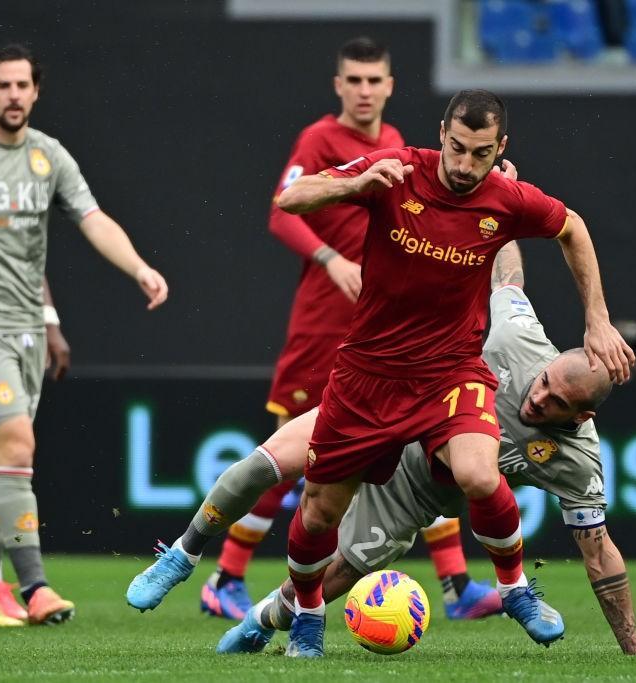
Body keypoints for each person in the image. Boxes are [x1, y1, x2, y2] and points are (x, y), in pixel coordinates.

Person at [129, 90, 633, 658]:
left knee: (478, 475)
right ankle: (190, 559)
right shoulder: (396, 172)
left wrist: (597, 319)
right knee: (299, 496)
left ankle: (513, 590)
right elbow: (292, 197)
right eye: (459, 149)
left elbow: (573, 228)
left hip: (448, 373)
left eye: (482, 154)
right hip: (370, 374)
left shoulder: (505, 198)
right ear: (442, 132)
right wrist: (353, 186)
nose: (467, 166)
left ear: (502, 149)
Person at [215, 241, 636, 657]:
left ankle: (261, 619)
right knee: (277, 469)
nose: (539, 397)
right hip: (390, 422)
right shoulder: (518, 338)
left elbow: (599, 552)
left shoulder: (578, 461)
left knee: (340, 572)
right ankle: (194, 559)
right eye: (545, 381)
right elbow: (506, 278)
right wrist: (500, 204)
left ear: (582, 418)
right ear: (547, 364)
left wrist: (632, 647)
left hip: (410, 495)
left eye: (558, 404)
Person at [204, 37, 499, 624]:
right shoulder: (320, 139)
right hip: (324, 323)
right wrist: (329, 260)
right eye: (354, 81)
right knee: (290, 456)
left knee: (424, 450)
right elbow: (280, 211)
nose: (365, 91)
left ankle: (458, 583)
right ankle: (226, 576)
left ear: (391, 86)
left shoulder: (395, 146)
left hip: (391, 337)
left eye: (375, 81)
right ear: (338, 85)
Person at [0, 45, 168, 626]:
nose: (14, 96)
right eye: (3, 86)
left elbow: (93, 219)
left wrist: (138, 268)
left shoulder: (47, 156)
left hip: (25, 327)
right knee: (18, 446)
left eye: (23, 86)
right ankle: (35, 587)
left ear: (35, 91)